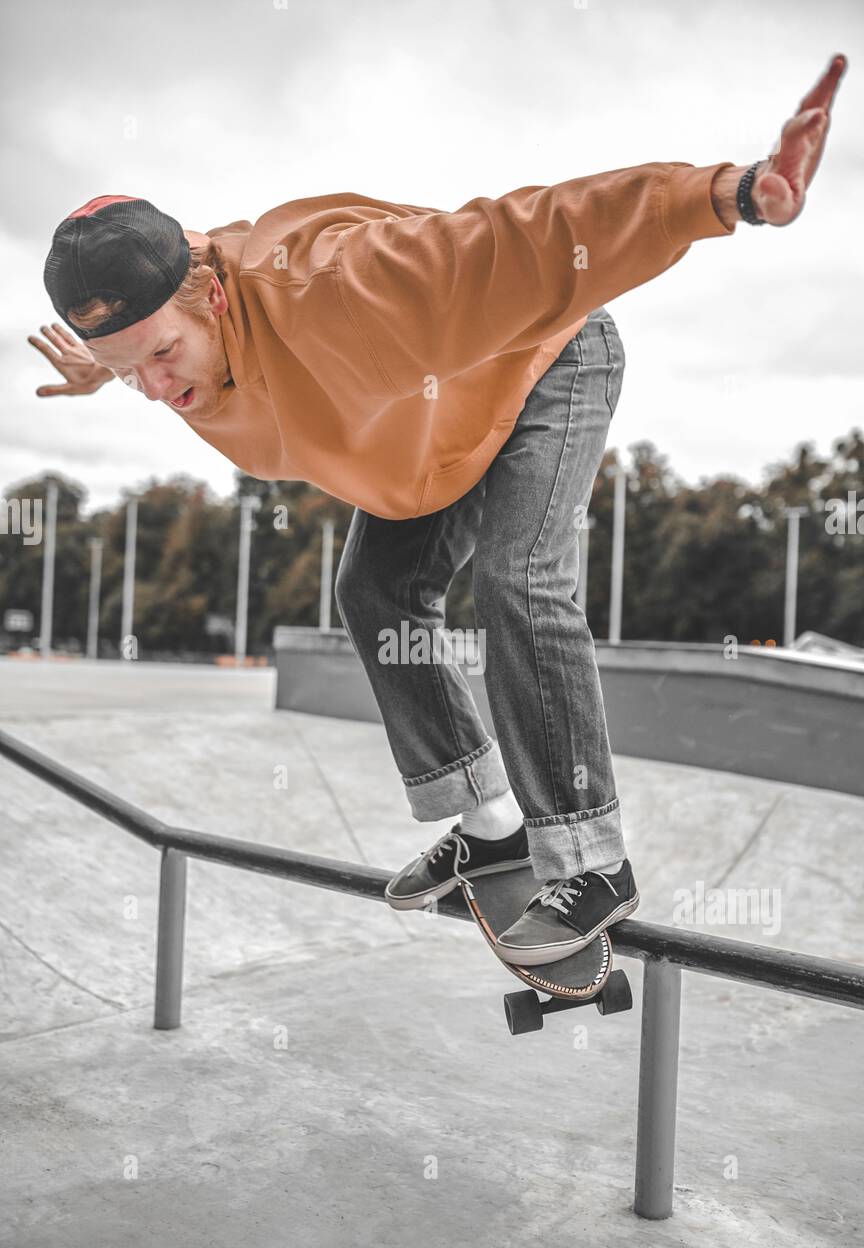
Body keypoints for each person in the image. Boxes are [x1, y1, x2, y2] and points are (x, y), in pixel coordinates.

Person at [32, 56, 847, 966]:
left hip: (548, 363)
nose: (155, 389)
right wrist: (101, 370)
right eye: (125, 372)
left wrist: (731, 193)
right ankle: (491, 822)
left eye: (162, 355)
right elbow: (147, 337)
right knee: (375, 592)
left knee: (518, 581)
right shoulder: (168, 323)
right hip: (433, 428)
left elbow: (531, 234)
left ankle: (591, 855)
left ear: (216, 295)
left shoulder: (342, 285)